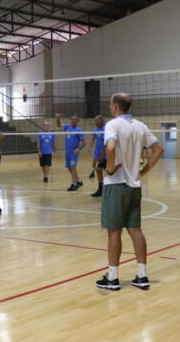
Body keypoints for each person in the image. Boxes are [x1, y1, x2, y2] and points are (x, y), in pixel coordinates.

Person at [96, 93, 163, 291]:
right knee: (135, 230)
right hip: (134, 186)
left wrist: (108, 169)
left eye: (110, 104)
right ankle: (142, 276)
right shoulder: (140, 125)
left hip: (116, 185)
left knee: (114, 232)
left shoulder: (113, 125)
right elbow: (158, 150)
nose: (109, 107)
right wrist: (143, 171)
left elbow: (110, 148)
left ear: (116, 106)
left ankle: (113, 278)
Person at [55, 114, 85, 191]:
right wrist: (58, 118)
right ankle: (78, 181)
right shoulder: (67, 127)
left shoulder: (79, 130)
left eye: (74, 120)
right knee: (69, 167)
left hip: (74, 152)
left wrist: (78, 149)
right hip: (67, 152)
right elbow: (58, 125)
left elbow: (83, 142)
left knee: (73, 167)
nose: (72, 121)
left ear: (77, 121)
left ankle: (74, 184)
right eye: (71, 119)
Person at [89, 115, 106, 197]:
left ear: (102, 121)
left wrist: (103, 154)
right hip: (99, 154)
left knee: (107, 172)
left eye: (97, 120)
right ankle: (101, 189)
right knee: (99, 170)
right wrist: (90, 147)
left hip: (107, 155)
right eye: (95, 121)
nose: (96, 122)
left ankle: (106, 190)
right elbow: (93, 138)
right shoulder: (95, 129)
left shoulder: (106, 128)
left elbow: (107, 143)